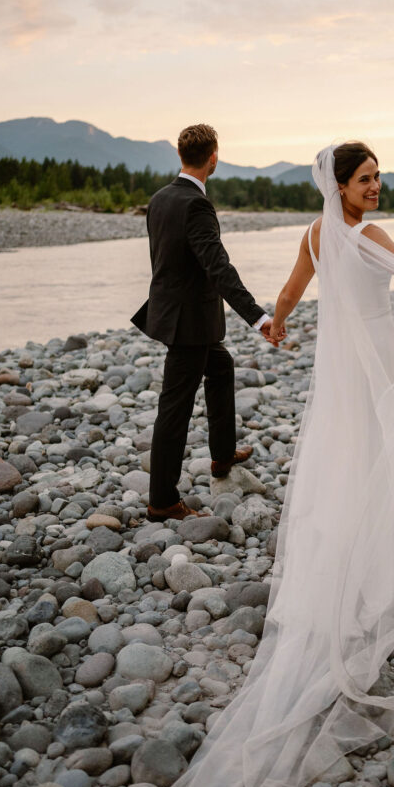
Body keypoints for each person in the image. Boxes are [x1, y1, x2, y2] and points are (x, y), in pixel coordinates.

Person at [160, 141, 394, 787]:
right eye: (366, 179)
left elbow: (289, 295)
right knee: (370, 464)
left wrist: (275, 326)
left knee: (343, 465)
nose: (377, 187)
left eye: (378, 177)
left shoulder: (319, 234)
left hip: (341, 371)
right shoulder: (363, 236)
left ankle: (345, 572)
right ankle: (364, 581)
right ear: (339, 185)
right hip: (367, 367)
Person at [131, 123, 277, 522]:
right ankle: (162, 501)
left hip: (175, 314)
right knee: (174, 409)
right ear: (214, 157)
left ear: (181, 155)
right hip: (188, 323)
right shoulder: (196, 205)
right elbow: (218, 267)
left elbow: (166, 259)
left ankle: (222, 454)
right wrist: (258, 316)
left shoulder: (159, 198)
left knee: (221, 367)